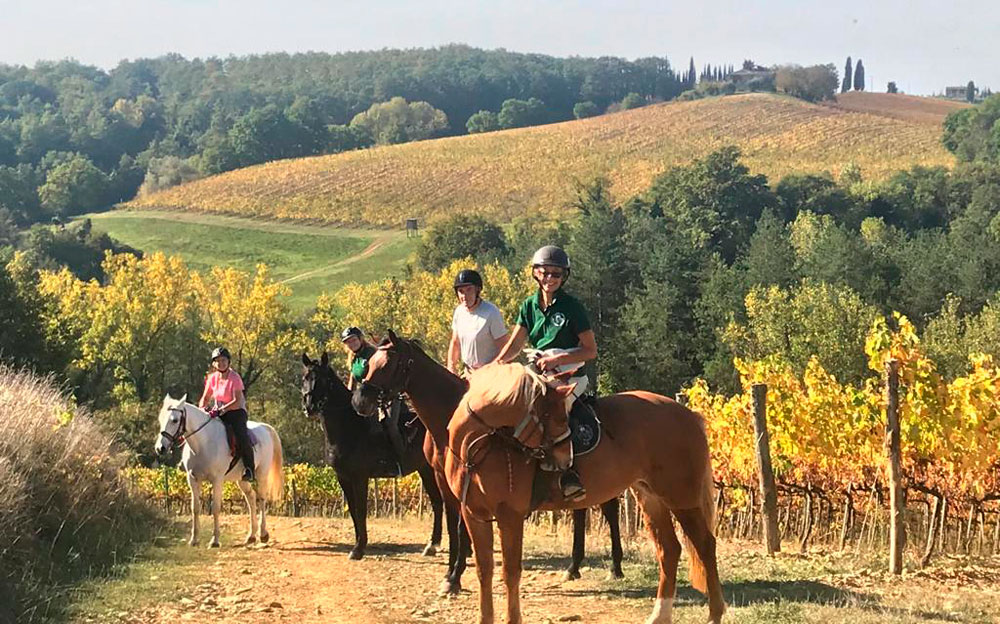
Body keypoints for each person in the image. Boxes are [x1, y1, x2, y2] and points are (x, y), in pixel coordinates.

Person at [495, 245, 597, 502]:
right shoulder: (528, 305)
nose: (550, 278)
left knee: (556, 412)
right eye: (545, 273)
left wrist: (557, 358)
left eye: (556, 274)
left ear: (564, 277)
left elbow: (590, 350)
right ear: (535, 274)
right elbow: (515, 345)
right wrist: (494, 366)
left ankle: (570, 475)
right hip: (538, 375)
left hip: (569, 376)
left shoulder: (572, 307)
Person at [342, 326, 407, 473]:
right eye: (348, 342)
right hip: (368, 399)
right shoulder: (353, 359)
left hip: (387, 395)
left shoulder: (372, 353)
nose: (351, 343)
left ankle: (400, 460)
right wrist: (347, 400)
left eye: (353, 340)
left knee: (389, 424)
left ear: (360, 339)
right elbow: (352, 382)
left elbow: (382, 376)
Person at [198, 347, 255, 482]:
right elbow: (205, 398)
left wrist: (221, 410)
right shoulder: (212, 378)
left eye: (223, 360)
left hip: (236, 413)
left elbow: (237, 401)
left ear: (228, 362)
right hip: (219, 413)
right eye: (217, 361)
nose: (221, 363)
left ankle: (250, 469)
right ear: (213, 364)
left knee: (241, 436)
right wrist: (201, 409)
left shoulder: (234, 377)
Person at [447, 269, 509, 376]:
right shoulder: (459, 312)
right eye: (461, 291)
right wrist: (451, 367)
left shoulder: (491, 312)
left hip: (491, 373)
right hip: (468, 372)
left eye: (469, 290)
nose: (464, 296)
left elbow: (505, 348)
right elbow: (455, 342)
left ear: (478, 290)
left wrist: (491, 369)